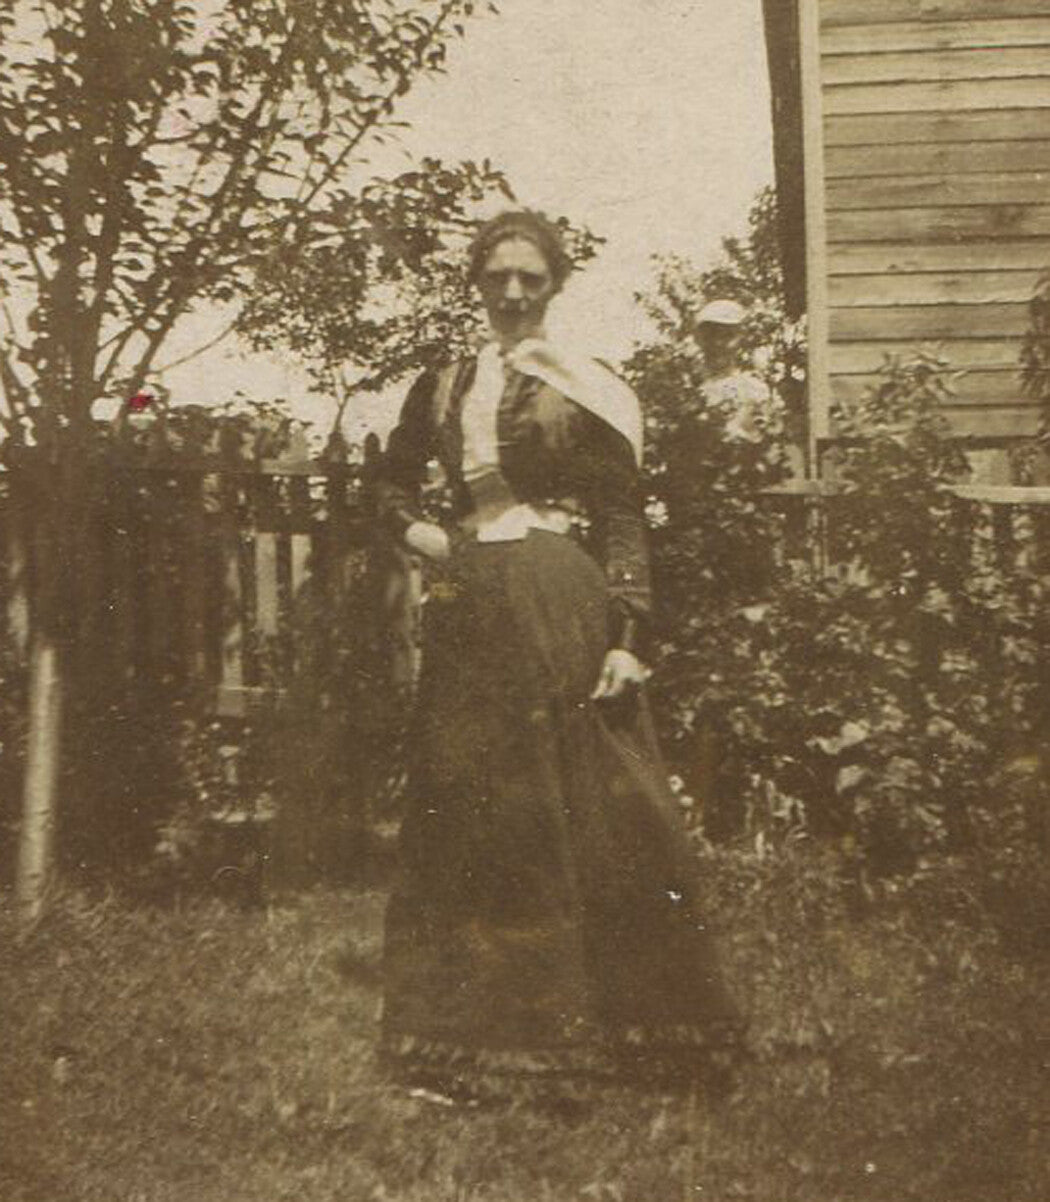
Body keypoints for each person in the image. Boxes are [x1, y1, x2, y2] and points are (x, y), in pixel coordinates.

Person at [376, 210, 744, 1101]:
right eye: (497, 276)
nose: (511, 293)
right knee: (474, 805)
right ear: (477, 281)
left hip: (560, 599)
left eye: (528, 279)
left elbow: (621, 516)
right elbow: (384, 483)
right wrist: (429, 537)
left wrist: (628, 638)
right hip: (470, 602)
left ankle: (635, 1032)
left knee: (595, 806)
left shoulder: (590, 387)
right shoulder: (441, 385)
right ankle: (473, 1046)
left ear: (555, 287)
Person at [694, 298, 782, 445]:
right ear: (699, 338)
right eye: (711, 334)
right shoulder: (688, 386)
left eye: (728, 335)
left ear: (741, 338)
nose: (718, 343)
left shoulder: (754, 391)